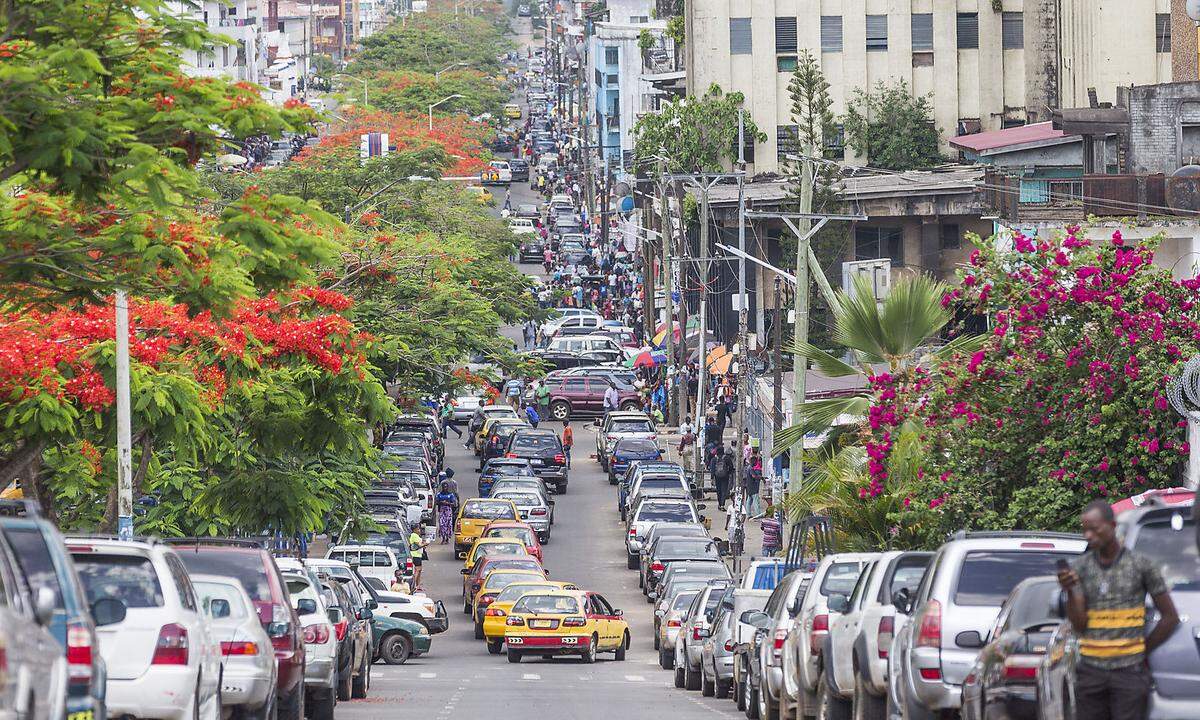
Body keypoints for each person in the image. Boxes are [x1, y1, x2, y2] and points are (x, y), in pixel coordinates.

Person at [1057, 500, 1179, 720]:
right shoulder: (1080, 568)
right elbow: (1079, 625)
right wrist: (1070, 592)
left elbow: (1170, 617)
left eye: (1094, 529)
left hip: (1129, 673)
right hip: (1091, 671)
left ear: (1112, 526)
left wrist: (1142, 650)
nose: (1088, 536)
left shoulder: (1141, 565)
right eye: (1084, 530)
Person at [434, 480, 459, 545]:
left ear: (447, 487)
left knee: (448, 524)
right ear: (442, 487)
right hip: (442, 511)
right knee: (442, 524)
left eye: (446, 487)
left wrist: (448, 503)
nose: (445, 488)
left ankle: (447, 538)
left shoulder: (450, 495)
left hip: (448, 511)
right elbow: (436, 502)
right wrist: (441, 502)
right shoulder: (439, 494)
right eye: (444, 487)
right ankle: (443, 538)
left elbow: (454, 503)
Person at [712, 443, 734, 509]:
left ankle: (719, 504)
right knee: (724, 490)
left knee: (718, 490)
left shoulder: (714, 459)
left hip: (717, 476)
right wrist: (728, 473)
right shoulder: (726, 458)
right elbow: (731, 466)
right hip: (725, 476)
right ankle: (722, 505)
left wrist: (712, 477)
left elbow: (712, 469)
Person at [408, 523, 428, 590]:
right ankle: (413, 585)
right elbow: (419, 545)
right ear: (415, 529)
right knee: (417, 570)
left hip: (418, 554)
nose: (419, 530)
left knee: (419, 570)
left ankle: (418, 585)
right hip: (415, 555)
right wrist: (426, 543)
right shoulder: (414, 536)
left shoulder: (415, 535)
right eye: (418, 529)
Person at [745, 447, 763, 516]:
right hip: (753, 487)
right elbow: (753, 476)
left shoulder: (749, 468)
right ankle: (758, 513)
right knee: (755, 500)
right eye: (755, 462)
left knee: (749, 500)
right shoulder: (751, 468)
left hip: (749, 486)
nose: (756, 463)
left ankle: (748, 514)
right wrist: (760, 477)